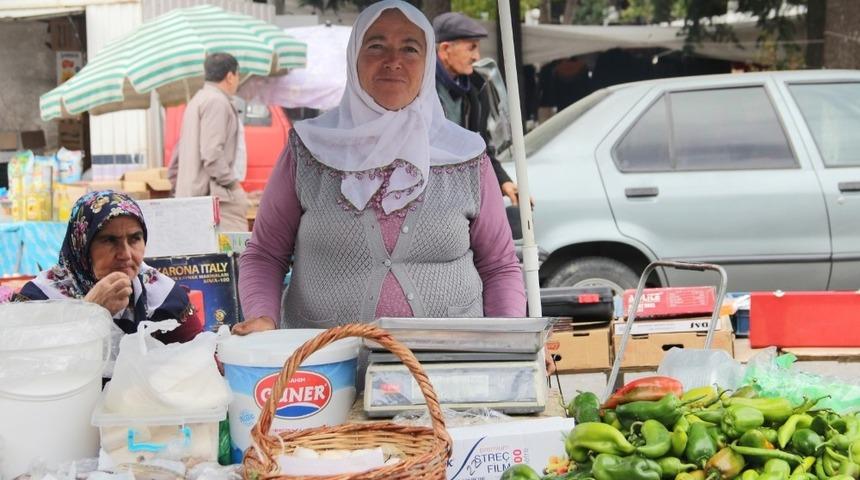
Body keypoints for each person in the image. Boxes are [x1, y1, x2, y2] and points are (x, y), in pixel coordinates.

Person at [232, 0, 526, 336]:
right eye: (376, 46)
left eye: (410, 48)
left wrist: (511, 337)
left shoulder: (467, 156)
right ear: (354, 58)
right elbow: (265, 254)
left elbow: (500, 266)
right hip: (327, 367)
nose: (393, 61)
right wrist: (262, 318)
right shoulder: (309, 149)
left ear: (428, 62)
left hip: (448, 366)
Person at [15, 191, 202, 344]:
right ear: (82, 246)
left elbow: (202, 363)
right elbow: (25, 369)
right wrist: (89, 312)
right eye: (109, 240)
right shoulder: (39, 300)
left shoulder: (162, 296)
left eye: (135, 239)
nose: (126, 255)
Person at [433, 12, 521, 206]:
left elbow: (480, 145)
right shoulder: (420, 89)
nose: (477, 56)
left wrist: (503, 180)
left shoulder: (475, 90)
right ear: (445, 49)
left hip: (461, 194)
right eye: (471, 48)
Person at [174, 52, 250, 232]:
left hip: (193, 199)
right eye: (238, 75)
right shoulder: (217, 101)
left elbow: (177, 157)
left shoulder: (197, 100)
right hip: (213, 200)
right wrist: (234, 185)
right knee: (235, 252)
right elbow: (212, 154)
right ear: (230, 76)